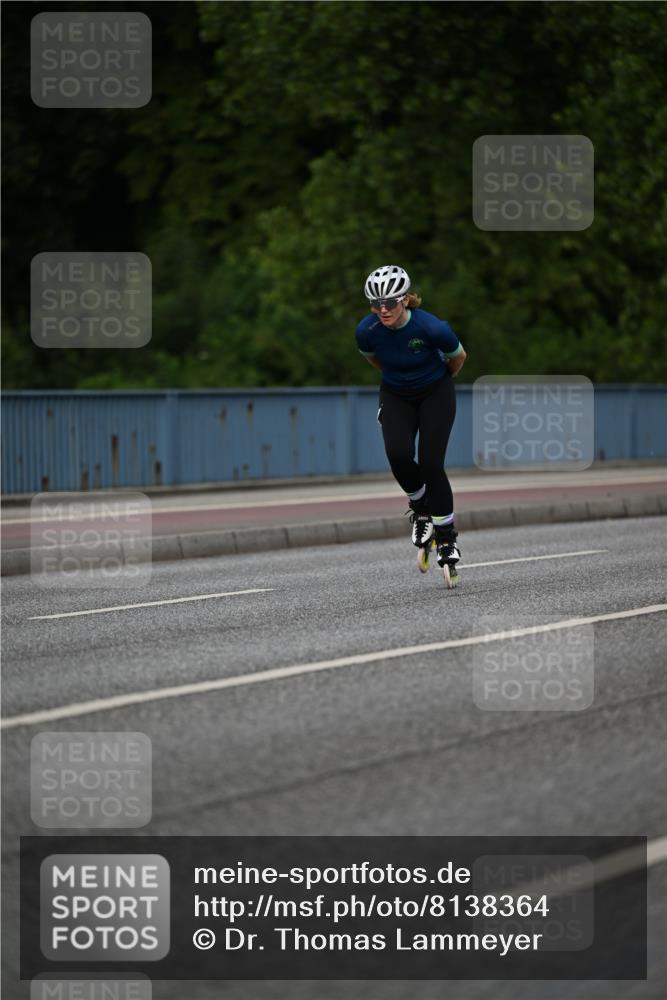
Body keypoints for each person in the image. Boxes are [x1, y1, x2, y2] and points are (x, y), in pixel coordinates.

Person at [355, 264, 467, 572]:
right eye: (376, 304)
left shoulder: (432, 328)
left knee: (431, 464)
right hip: (395, 394)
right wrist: (401, 379)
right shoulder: (366, 331)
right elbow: (376, 361)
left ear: (405, 299)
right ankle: (421, 510)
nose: (382, 310)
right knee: (398, 454)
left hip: (435, 392)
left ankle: (446, 537)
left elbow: (459, 358)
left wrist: (436, 379)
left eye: (389, 302)